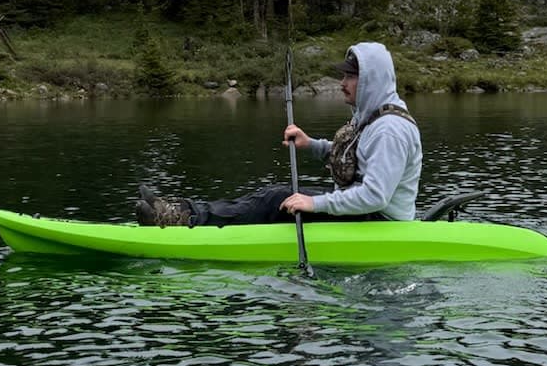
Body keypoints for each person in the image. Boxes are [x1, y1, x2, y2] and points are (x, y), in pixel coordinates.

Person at [135, 41, 422, 228]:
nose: (342, 83)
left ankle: (181, 218)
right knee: (273, 194)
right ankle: (181, 211)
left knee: (277, 198)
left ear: (370, 81)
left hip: (381, 221)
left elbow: (375, 196)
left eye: (349, 77)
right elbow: (354, 155)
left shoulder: (391, 131)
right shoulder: (373, 116)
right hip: (365, 213)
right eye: (343, 76)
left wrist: (314, 203)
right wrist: (311, 144)